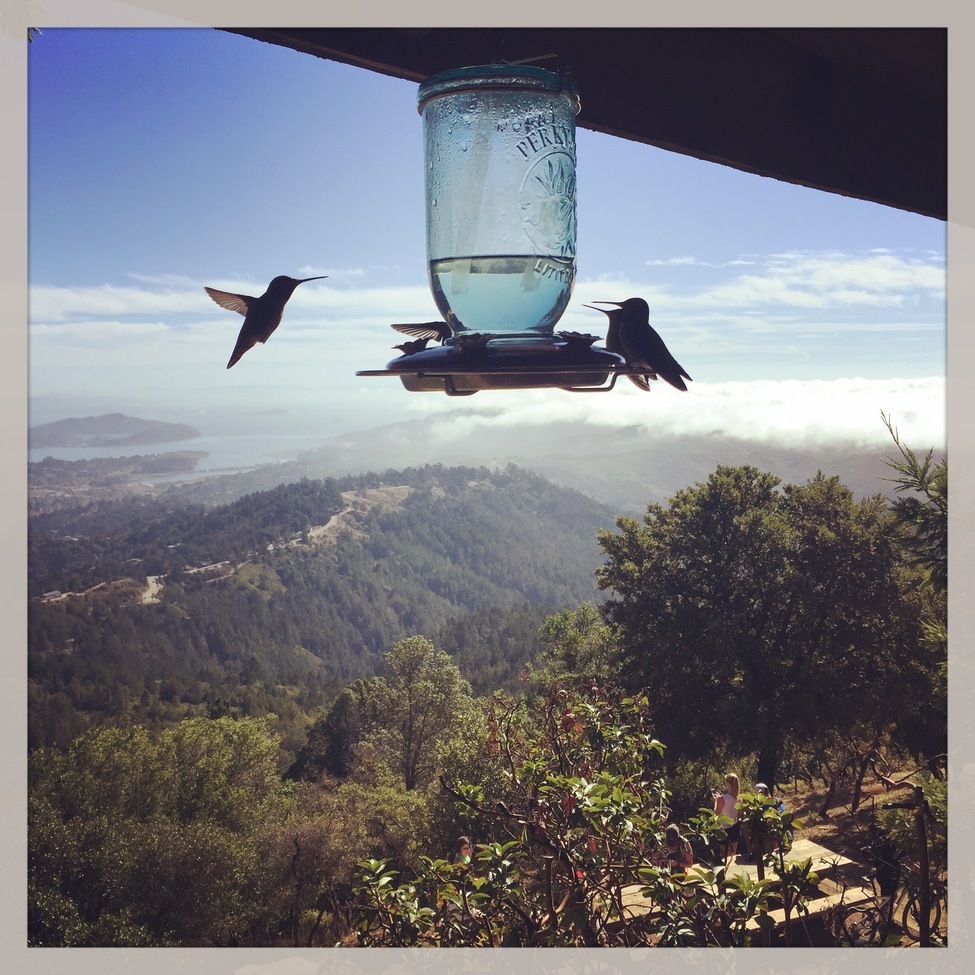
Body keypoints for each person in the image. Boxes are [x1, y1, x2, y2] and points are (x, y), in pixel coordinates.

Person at [712, 773, 741, 860]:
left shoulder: (722, 799)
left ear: (728, 784)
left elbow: (715, 814)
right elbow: (740, 814)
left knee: (725, 855)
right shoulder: (740, 798)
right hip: (735, 827)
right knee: (733, 853)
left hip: (724, 829)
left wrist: (715, 802)